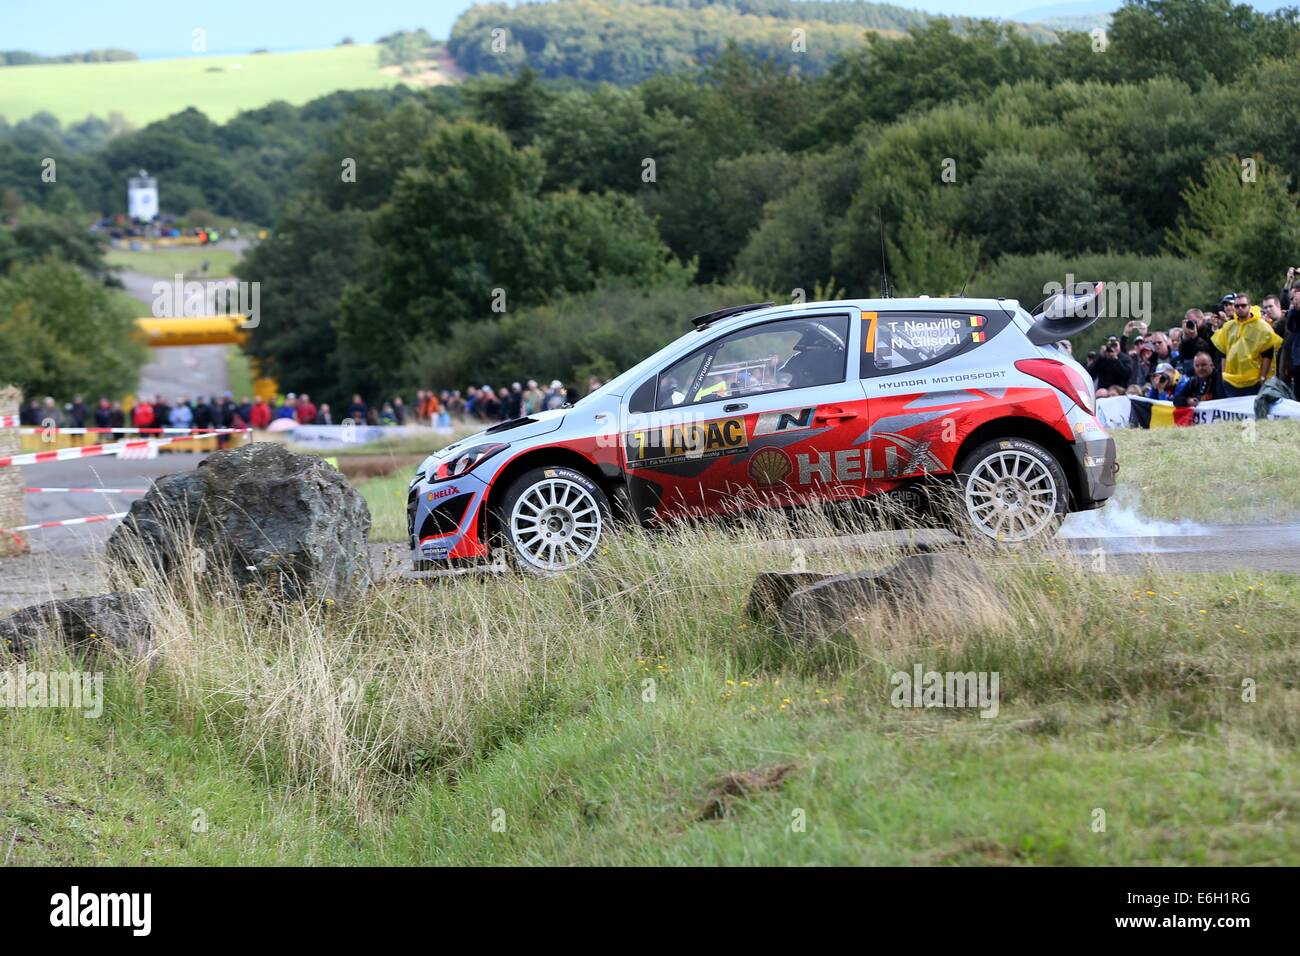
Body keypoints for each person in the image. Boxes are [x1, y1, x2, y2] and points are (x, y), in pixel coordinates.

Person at [1211, 292, 1283, 396]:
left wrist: (1263, 377)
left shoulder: (1262, 327)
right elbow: (1224, 352)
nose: (1240, 308)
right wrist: (1224, 375)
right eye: (1237, 306)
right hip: (1232, 381)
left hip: (1254, 381)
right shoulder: (1228, 326)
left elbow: (1268, 354)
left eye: (1243, 305)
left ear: (1249, 306)